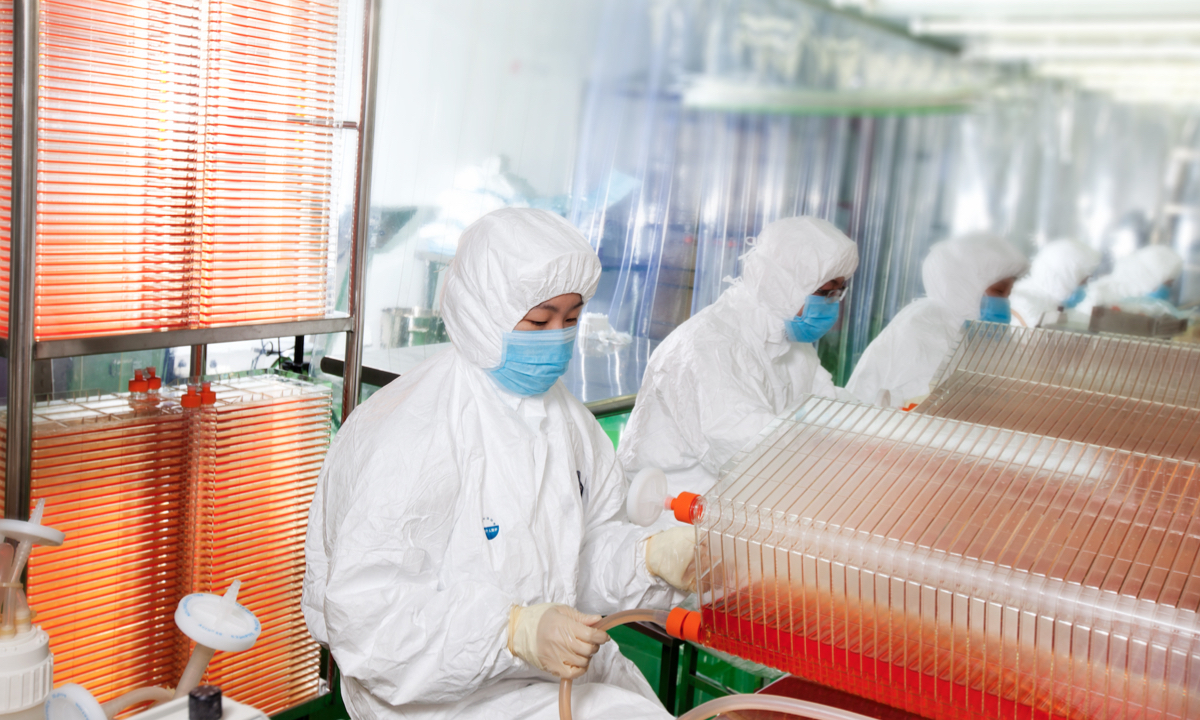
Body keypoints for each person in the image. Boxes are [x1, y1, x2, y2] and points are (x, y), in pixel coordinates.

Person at [302, 208, 695, 720]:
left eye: (571, 318)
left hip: (559, 678)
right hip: (439, 700)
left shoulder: (568, 422)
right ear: (484, 310)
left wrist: (647, 559)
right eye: (538, 320)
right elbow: (370, 620)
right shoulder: (411, 433)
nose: (557, 335)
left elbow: (583, 551)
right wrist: (512, 631)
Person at [617, 216, 859, 500]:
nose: (831, 305)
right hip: (672, 519)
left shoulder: (788, 340)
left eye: (837, 293)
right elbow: (750, 449)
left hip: (740, 509)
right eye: (824, 292)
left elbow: (827, 404)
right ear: (784, 284)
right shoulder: (710, 346)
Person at [846, 233, 1028, 408]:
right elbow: (923, 404)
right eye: (998, 292)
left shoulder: (970, 327)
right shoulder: (927, 326)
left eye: (1007, 294)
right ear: (966, 285)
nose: (1004, 303)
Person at [1008, 239, 1101, 328]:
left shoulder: (1051, 302)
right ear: (1065, 279)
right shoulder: (1025, 304)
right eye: (1083, 281)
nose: (1085, 287)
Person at [1077, 245, 1184, 315]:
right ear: (1149, 279)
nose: (1167, 290)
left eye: (1170, 285)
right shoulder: (1098, 295)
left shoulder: (1144, 305)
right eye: (1166, 284)